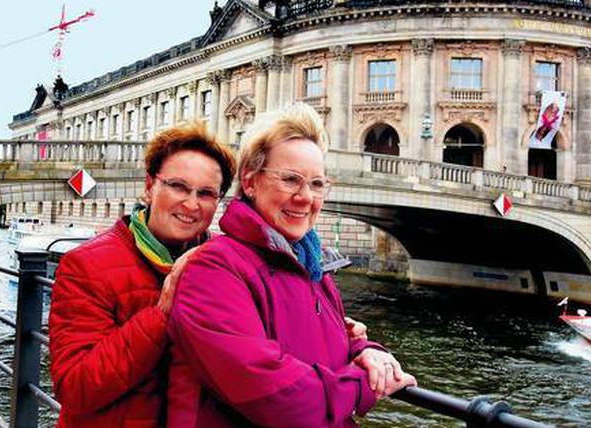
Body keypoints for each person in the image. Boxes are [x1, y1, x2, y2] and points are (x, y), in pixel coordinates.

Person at [166, 103, 416, 427]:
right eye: (290, 180)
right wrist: (362, 384)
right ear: (251, 182)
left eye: (316, 184)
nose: (306, 198)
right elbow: (274, 399)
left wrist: (366, 351)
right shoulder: (214, 269)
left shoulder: (310, 266)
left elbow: (327, 335)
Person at [47, 121, 236, 427]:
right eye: (178, 186)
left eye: (206, 193)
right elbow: (75, 387)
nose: (190, 204)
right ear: (150, 187)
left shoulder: (228, 264)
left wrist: (335, 333)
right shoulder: (84, 265)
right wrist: (162, 314)